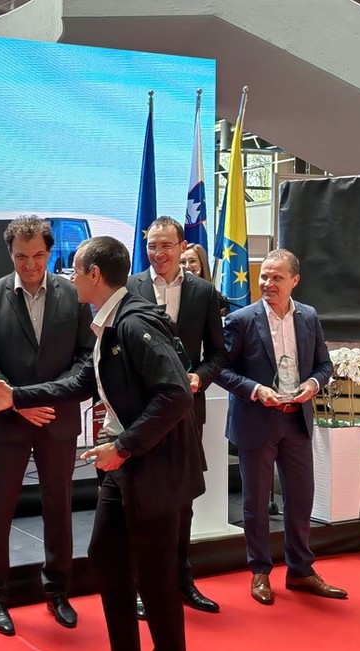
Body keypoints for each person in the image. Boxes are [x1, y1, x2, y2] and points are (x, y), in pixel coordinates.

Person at [0, 236, 204, 651]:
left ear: (95, 275)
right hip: (127, 467)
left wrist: (125, 446)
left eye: (75, 270)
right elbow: (83, 384)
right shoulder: (110, 321)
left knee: (157, 585)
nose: (68, 277)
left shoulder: (134, 323)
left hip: (153, 469)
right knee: (107, 559)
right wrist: (17, 397)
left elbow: (176, 396)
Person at [0, 215, 94, 635]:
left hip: (57, 419)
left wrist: (41, 397)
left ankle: (58, 592)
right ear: (10, 253)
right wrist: (19, 404)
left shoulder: (73, 294)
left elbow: (85, 358)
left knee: (59, 507)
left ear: (50, 252)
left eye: (38, 255)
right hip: (9, 421)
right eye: (21, 256)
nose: (30, 264)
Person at [216, 249, 347, 605]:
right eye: (264, 276)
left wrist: (314, 385)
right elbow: (220, 370)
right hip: (256, 419)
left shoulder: (309, 316)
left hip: (296, 420)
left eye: (277, 277)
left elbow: (323, 365)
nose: (268, 283)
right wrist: (256, 390)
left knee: (301, 498)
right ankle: (260, 571)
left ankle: (300, 571)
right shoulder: (241, 320)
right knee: (257, 503)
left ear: (294, 281)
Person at [126, 217, 227, 617]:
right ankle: (141, 586)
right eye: (152, 246)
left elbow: (218, 353)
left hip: (186, 410)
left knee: (183, 499)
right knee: (140, 502)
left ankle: (183, 581)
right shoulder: (130, 287)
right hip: (140, 413)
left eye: (166, 245)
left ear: (182, 246)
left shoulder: (203, 292)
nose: (158, 253)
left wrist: (199, 377)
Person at [180, 242, 230, 317]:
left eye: (192, 261)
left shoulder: (218, 298)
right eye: (182, 262)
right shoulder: (173, 293)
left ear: (202, 263)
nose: (187, 266)